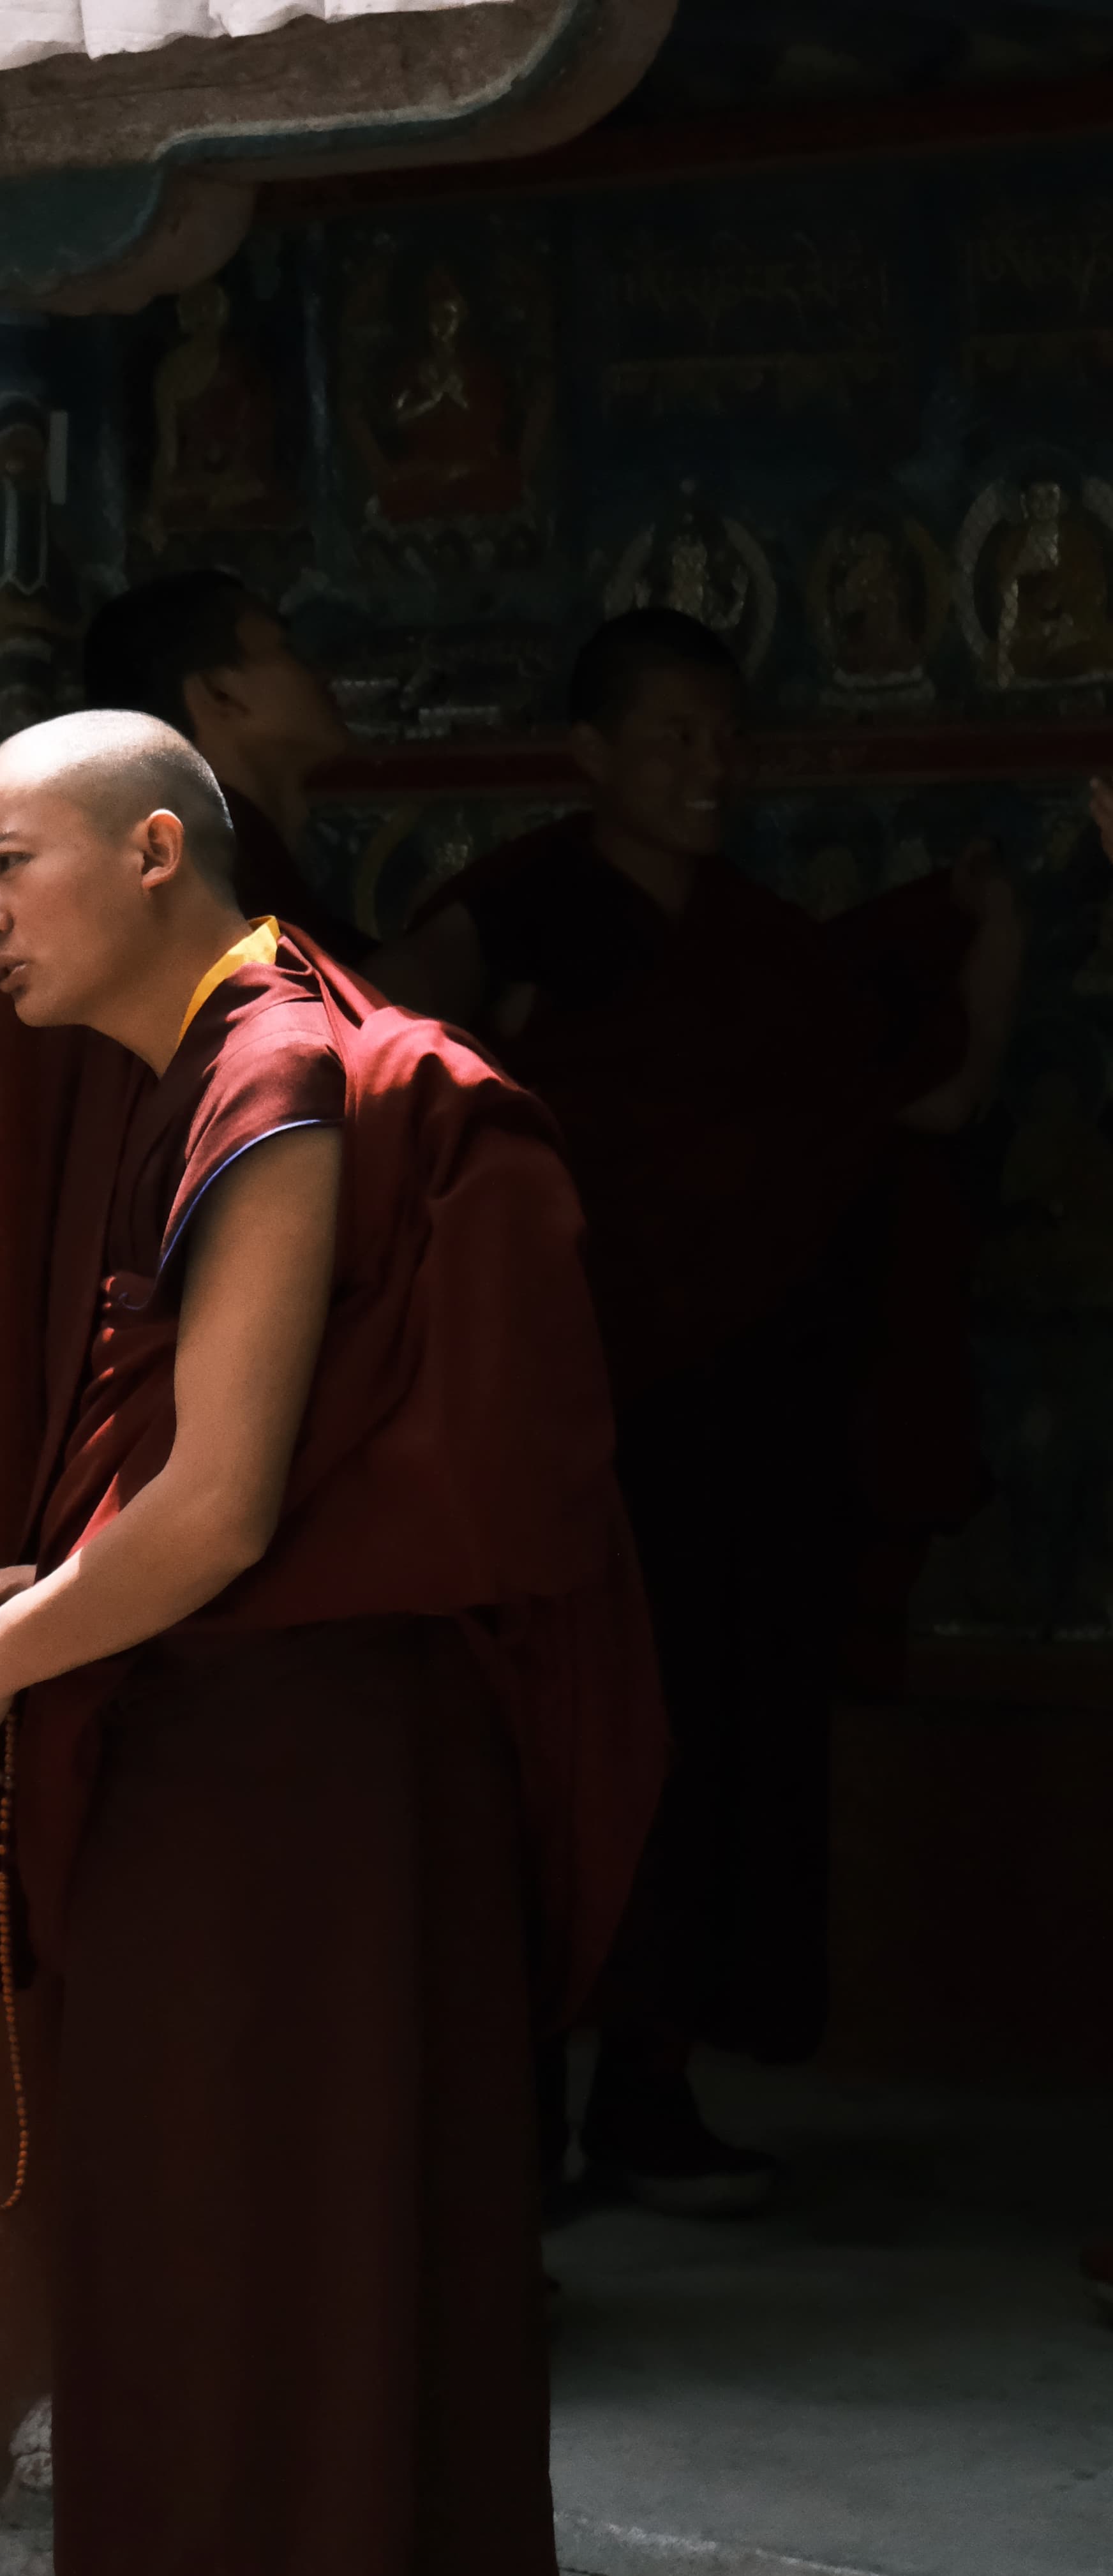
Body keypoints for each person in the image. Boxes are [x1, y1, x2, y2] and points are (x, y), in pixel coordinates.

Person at [0, 712, 657, 2576]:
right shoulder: (210, 1075)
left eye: (8, 864)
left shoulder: (285, 1082)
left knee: (296, 2303)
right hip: (281, 1793)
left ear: (157, 854)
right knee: (260, 2294)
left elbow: (223, 1509)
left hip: (312, 1818)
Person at [376, 610, 1020, 2212]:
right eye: (668, 736)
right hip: (578, 1408)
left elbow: (923, 1096)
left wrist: (992, 943)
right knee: (556, 1744)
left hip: (744, 1415)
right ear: (589, 754)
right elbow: (384, 1033)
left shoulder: (763, 943)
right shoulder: (526, 903)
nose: (705, 765)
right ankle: (514, 2115)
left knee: (715, 1743)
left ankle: (650, 2092)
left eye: (723, 736)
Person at [80, 567, 358, 958]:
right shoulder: (193, 874)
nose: (321, 675)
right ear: (220, 693)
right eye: (286, 650)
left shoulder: (236, 860)